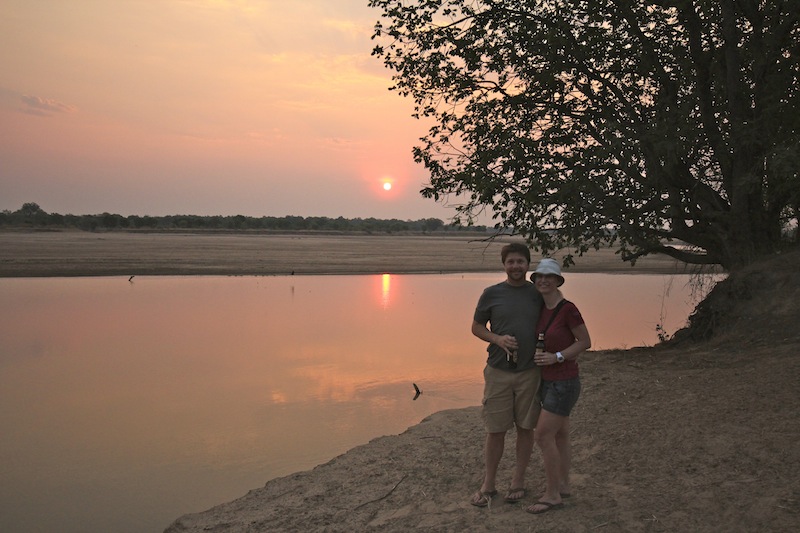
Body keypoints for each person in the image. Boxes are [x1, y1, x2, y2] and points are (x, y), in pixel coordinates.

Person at [470, 243, 544, 507]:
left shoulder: (538, 293)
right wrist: (497, 339)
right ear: (504, 265)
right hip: (498, 371)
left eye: (520, 261)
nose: (516, 266)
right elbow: (477, 327)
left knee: (526, 428)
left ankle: (518, 480)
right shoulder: (491, 294)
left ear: (528, 264)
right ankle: (489, 484)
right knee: (495, 430)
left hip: (530, 372)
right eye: (511, 262)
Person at [526, 258, 592, 515]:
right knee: (560, 435)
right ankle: (563, 485)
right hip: (548, 380)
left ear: (557, 281)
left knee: (543, 435)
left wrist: (557, 357)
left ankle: (552, 495)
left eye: (549, 277)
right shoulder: (541, 308)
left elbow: (584, 341)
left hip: (564, 382)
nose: (543, 280)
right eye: (539, 276)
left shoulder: (568, 309)